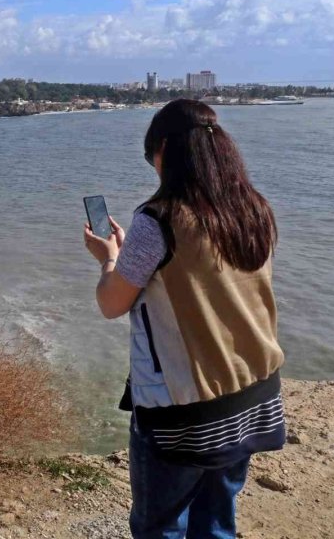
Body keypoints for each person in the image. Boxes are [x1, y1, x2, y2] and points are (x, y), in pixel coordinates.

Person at [82, 98, 285, 539]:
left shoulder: (158, 219)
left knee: (160, 527)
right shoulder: (254, 211)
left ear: (167, 152)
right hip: (250, 399)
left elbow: (112, 302)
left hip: (186, 414)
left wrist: (108, 258)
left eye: (150, 155)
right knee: (216, 520)